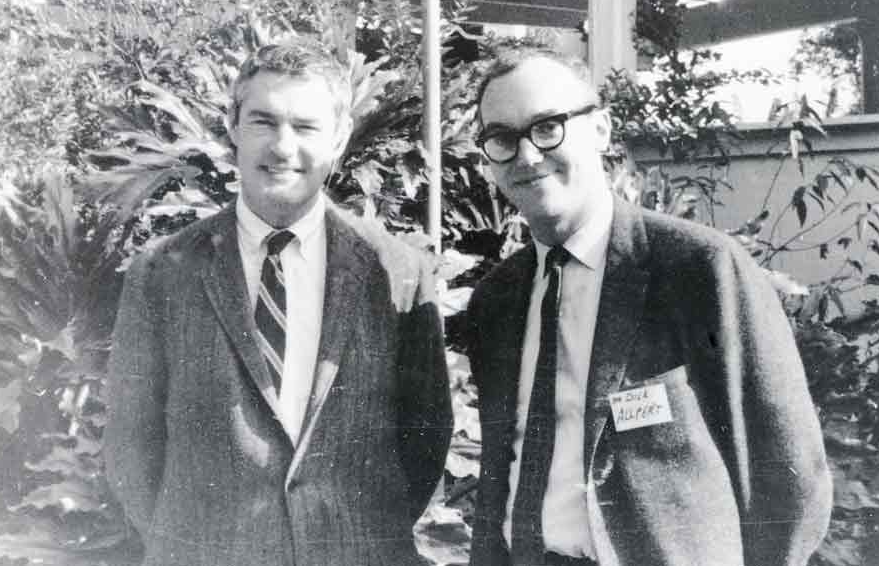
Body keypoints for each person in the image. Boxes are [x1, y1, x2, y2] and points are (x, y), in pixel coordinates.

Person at [466, 50, 833, 566]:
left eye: (548, 127)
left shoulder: (697, 268)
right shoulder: (497, 300)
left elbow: (790, 475)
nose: (527, 156)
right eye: (503, 138)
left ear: (600, 130)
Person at [103, 41, 453, 566]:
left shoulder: (398, 272)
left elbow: (425, 436)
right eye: (264, 121)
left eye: (306, 127)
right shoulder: (163, 271)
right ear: (233, 128)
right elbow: (132, 443)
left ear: (338, 139)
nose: (283, 147)